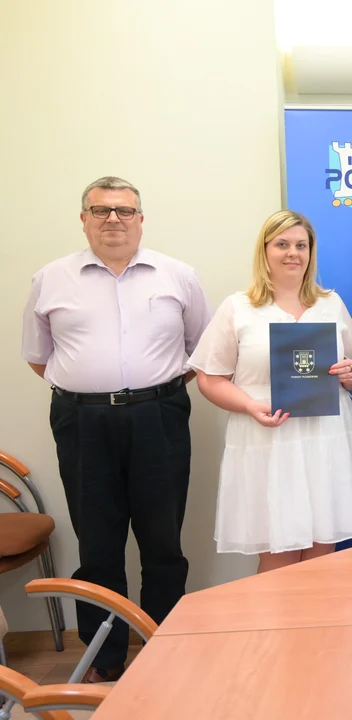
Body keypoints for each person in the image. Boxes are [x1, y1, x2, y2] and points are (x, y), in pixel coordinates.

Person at [21, 176, 211, 683]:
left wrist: (148, 391)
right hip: (82, 422)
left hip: (159, 417)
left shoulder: (178, 275)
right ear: (83, 219)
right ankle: (103, 659)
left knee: (163, 542)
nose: (113, 220)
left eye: (124, 211)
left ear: (140, 219)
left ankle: (164, 648)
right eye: (101, 210)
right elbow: (39, 357)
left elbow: (201, 349)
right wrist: (93, 390)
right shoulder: (51, 278)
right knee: (97, 544)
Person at [189, 210, 352, 573]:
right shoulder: (239, 307)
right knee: (279, 556)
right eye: (282, 244)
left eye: (301, 245)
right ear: (264, 250)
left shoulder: (330, 304)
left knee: (323, 552)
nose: (293, 253)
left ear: (311, 252)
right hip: (268, 442)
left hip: (325, 440)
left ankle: (317, 615)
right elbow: (210, 379)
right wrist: (249, 405)